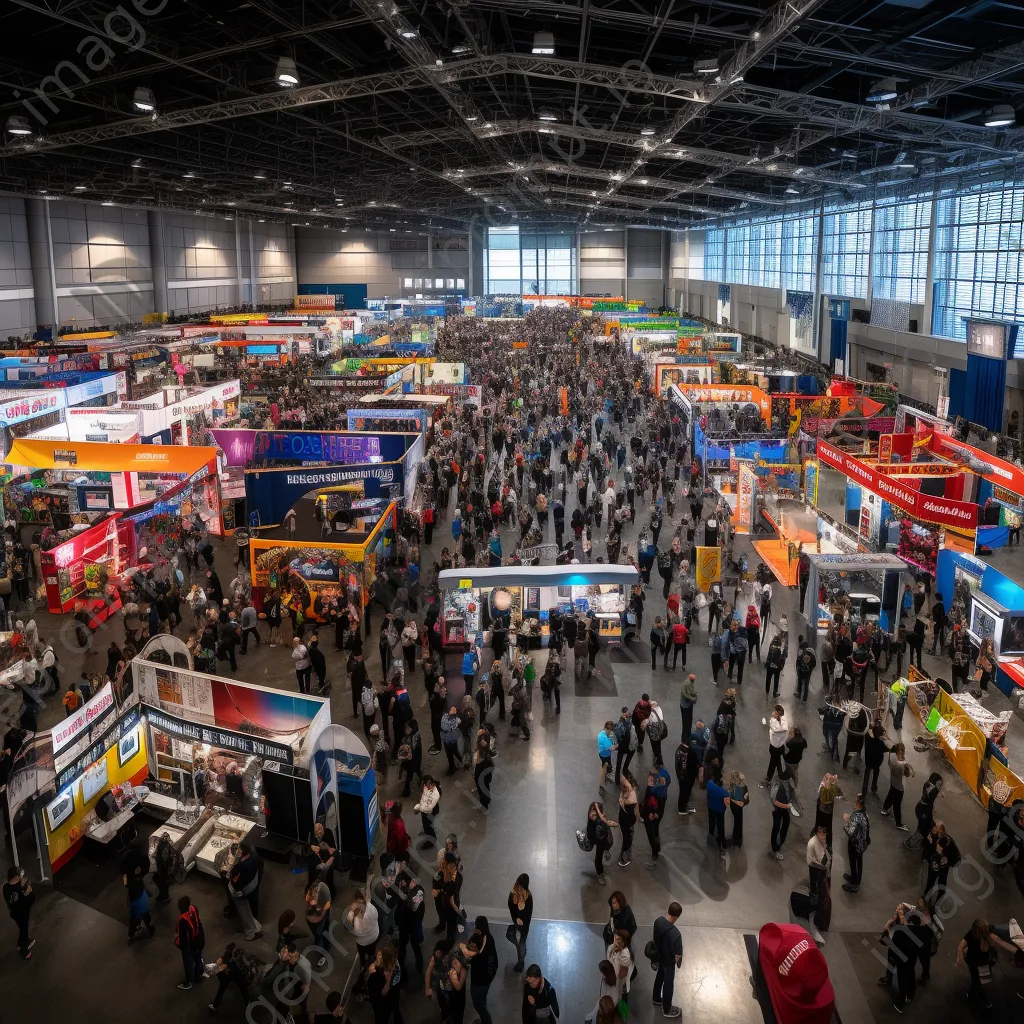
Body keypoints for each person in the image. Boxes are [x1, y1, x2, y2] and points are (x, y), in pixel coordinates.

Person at [652, 902, 683, 1018]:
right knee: (668, 983)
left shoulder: (658, 921)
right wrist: (678, 961)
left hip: (659, 956)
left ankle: (656, 998)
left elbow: (654, 938)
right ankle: (667, 1009)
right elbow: (678, 955)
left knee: (660, 975)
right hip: (668, 962)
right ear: (677, 916)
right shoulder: (675, 934)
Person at [468, 918, 499, 1024]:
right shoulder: (489, 938)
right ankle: (483, 1004)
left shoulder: (481, 941)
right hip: (489, 975)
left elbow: (470, 954)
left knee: (477, 1002)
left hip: (480, 979)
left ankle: (486, 1020)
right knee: (482, 997)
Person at [174, 895, 207, 990]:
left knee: (188, 962)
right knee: (198, 956)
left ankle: (188, 982)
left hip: (190, 944)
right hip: (200, 938)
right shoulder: (194, 908)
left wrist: (177, 942)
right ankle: (199, 973)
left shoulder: (181, 920)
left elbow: (182, 938)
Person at [3, 865, 35, 960]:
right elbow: (28, 900)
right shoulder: (18, 888)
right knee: (23, 930)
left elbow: (12, 901)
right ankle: (23, 950)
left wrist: (22, 886)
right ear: (15, 877)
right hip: (22, 913)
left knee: (22, 928)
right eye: (19, 876)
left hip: (15, 914)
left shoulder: (5, 887)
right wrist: (28, 892)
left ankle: (23, 942)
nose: (21, 877)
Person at [842, 793, 870, 893]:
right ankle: (854, 878)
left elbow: (850, 832)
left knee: (855, 862)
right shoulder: (863, 813)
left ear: (858, 803)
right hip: (861, 843)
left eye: (856, 801)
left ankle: (855, 885)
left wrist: (846, 822)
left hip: (856, 844)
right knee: (856, 862)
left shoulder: (857, 816)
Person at [586, 800, 618, 885]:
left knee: (603, 847)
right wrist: (607, 821)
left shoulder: (599, 815)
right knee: (598, 857)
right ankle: (600, 874)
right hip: (595, 837)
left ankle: (606, 850)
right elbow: (603, 821)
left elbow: (604, 820)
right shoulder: (593, 816)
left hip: (602, 837)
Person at [507, 873, 533, 972]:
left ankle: (521, 961)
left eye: (520, 887)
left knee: (521, 943)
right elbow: (510, 907)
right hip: (516, 923)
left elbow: (527, 917)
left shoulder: (528, 898)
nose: (518, 888)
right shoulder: (513, 894)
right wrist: (516, 917)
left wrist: (521, 909)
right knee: (511, 937)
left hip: (523, 927)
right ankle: (520, 947)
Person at [617, 773, 639, 867]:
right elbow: (634, 806)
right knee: (627, 838)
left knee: (627, 835)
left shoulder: (623, 793)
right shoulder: (630, 797)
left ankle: (626, 850)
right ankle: (623, 857)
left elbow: (622, 778)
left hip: (623, 819)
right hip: (627, 820)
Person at [770, 770, 793, 860]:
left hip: (785, 809)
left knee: (785, 823)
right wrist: (787, 805)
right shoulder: (777, 786)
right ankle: (775, 849)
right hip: (778, 810)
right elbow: (775, 801)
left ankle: (780, 842)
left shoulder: (787, 783)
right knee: (776, 828)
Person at [706, 770, 730, 858]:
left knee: (711, 823)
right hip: (720, 811)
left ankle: (710, 837)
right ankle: (722, 844)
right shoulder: (724, 792)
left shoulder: (709, 784)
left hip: (710, 807)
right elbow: (727, 804)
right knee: (720, 826)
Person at [765, 704, 787, 784]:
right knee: (776, 760)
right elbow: (780, 729)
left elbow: (779, 729)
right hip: (775, 745)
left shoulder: (781, 720)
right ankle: (780, 773)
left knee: (773, 762)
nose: (773, 712)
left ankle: (769, 777)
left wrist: (778, 728)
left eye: (775, 711)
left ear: (778, 714)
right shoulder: (773, 720)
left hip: (778, 746)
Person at [806, 824, 830, 900]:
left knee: (820, 881)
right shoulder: (812, 843)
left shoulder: (822, 839)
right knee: (814, 880)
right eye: (821, 833)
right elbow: (811, 860)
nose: (823, 836)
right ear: (817, 833)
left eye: (824, 834)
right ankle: (813, 895)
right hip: (814, 865)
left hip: (821, 864)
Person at [727, 770, 749, 849]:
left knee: (737, 822)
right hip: (738, 805)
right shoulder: (741, 785)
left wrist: (732, 799)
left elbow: (734, 796)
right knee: (738, 821)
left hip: (736, 806)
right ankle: (738, 838)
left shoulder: (738, 788)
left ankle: (735, 839)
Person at [597, 720, 616, 791]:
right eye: (609, 731)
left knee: (607, 764)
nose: (611, 733)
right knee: (604, 767)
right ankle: (602, 783)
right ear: (605, 728)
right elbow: (611, 748)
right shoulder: (604, 738)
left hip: (602, 752)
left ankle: (607, 771)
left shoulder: (601, 733)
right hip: (605, 754)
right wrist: (614, 746)